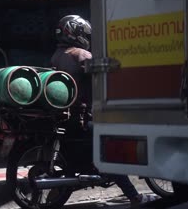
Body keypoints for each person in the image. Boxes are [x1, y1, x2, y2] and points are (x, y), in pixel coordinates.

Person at [50, 15, 156, 207]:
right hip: (81, 118)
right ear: (74, 33)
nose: (86, 38)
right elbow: (103, 80)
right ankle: (135, 196)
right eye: (84, 33)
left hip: (67, 118)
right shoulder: (80, 55)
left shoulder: (57, 55)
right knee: (111, 146)